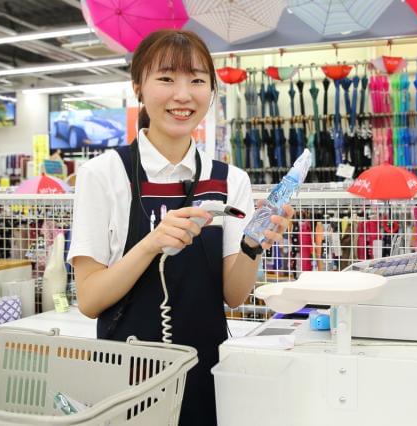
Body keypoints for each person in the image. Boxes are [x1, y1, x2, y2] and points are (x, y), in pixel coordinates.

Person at [67, 30, 294, 426]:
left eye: (197, 80)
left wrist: (254, 245)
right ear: (138, 86)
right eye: (167, 78)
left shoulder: (230, 180)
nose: (183, 95)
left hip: (206, 371)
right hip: (126, 375)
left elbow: (234, 295)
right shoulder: (102, 175)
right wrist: (151, 243)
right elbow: (89, 300)